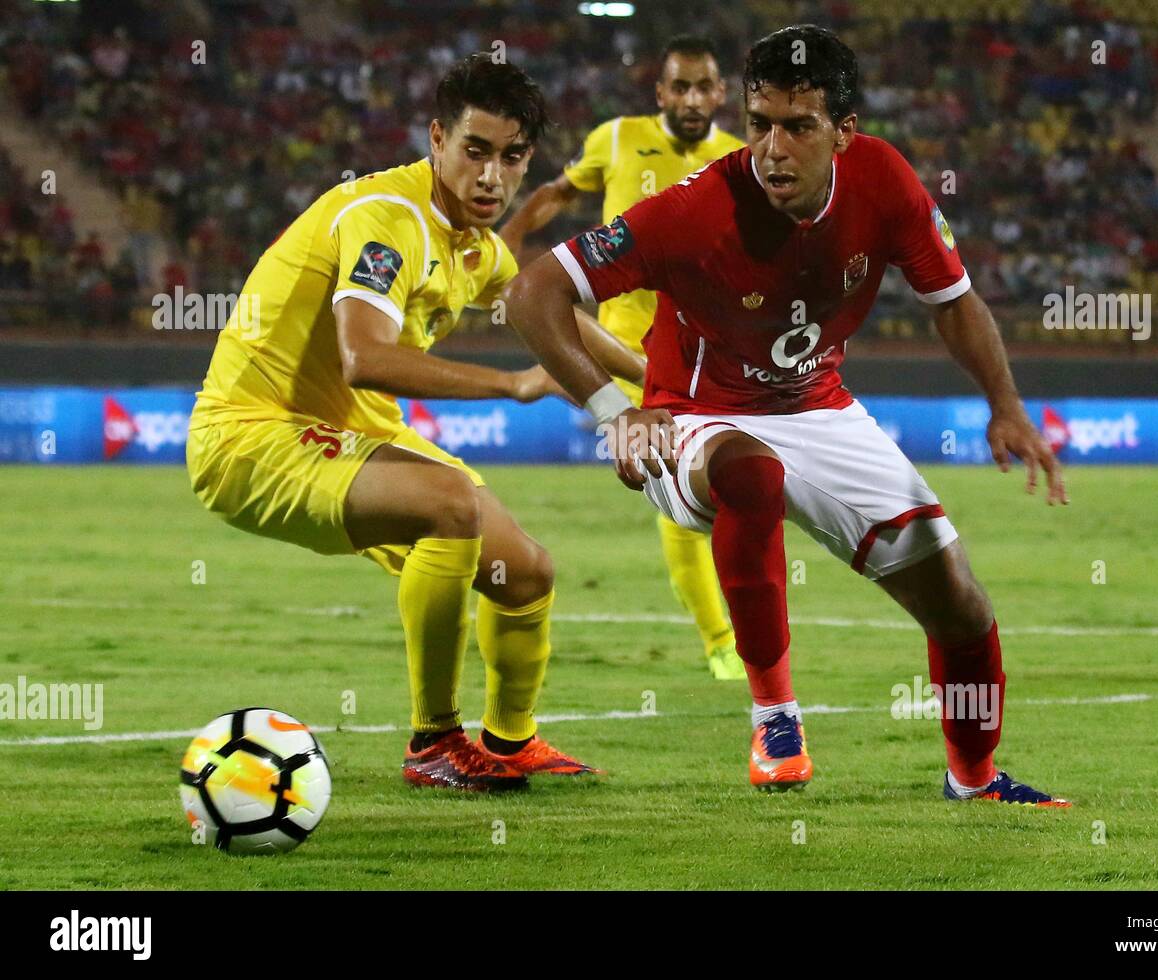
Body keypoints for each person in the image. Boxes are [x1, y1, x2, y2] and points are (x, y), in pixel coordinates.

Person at [504, 26, 1071, 806]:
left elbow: (953, 301)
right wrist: (615, 413)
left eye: (798, 127)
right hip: (694, 414)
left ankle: (974, 780)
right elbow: (533, 292)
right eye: (761, 120)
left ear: (844, 132)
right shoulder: (697, 207)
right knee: (752, 471)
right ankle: (775, 715)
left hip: (818, 406)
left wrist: (1005, 407)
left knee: (961, 601)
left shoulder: (887, 182)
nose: (773, 146)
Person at [187, 54, 642, 792]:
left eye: (512, 157)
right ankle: (434, 741)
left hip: (349, 434)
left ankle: (508, 742)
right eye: (476, 151)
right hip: (251, 432)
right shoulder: (386, 221)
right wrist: (514, 386)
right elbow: (365, 357)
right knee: (450, 504)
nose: (492, 175)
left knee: (525, 572)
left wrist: (656, 381)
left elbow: (548, 308)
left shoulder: (477, 242)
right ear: (436, 139)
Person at [501, 35, 748, 681]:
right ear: (661, 92)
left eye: (704, 87)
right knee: (674, 490)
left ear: (720, 94)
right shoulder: (616, 138)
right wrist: (515, 232)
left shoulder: (741, 160)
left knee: (733, 486)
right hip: (631, 350)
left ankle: (739, 630)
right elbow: (561, 190)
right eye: (681, 87)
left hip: (711, 351)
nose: (693, 99)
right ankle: (722, 641)